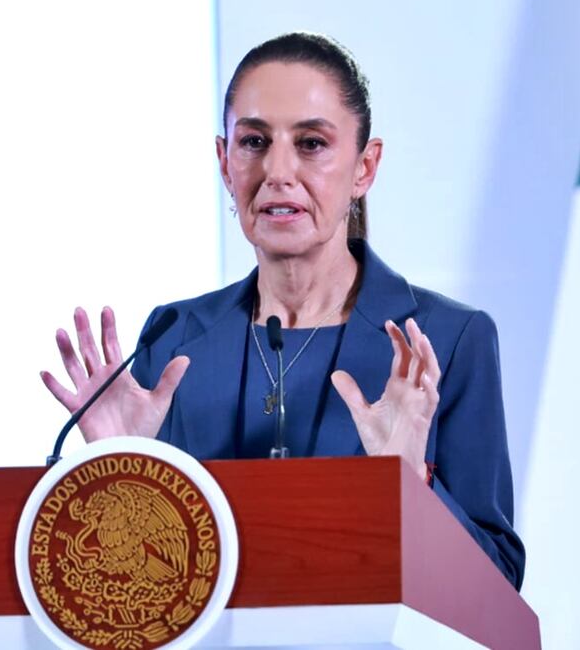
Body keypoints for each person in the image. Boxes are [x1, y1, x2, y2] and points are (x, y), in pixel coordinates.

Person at [41, 32, 524, 590]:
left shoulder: (446, 339)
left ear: (365, 167)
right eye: (254, 141)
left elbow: (499, 583)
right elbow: (136, 586)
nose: (277, 170)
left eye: (312, 144)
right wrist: (114, 478)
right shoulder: (173, 339)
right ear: (225, 161)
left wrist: (412, 484)